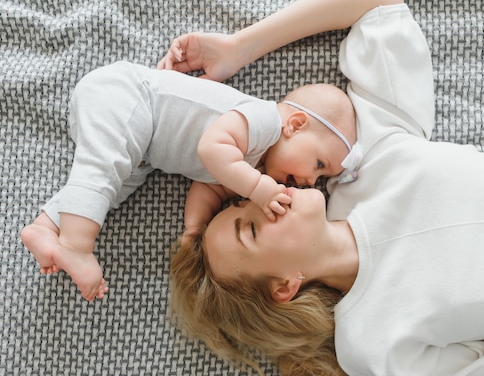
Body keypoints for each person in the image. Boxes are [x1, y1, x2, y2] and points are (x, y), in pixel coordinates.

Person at [162, 0, 484, 376]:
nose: (262, 197)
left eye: (242, 200)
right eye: (251, 228)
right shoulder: (370, 341)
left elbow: (376, 4)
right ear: (285, 285)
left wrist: (241, 46)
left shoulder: (362, 163)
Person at [20, 60, 357, 301]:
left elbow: (209, 187)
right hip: (130, 99)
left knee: (113, 187)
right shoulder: (263, 120)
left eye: (322, 177)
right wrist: (257, 188)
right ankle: (77, 246)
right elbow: (211, 149)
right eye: (318, 164)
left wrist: (193, 229)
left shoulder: (251, 170)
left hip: (144, 151)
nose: (311, 181)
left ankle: (47, 226)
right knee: (101, 169)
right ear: (295, 125)